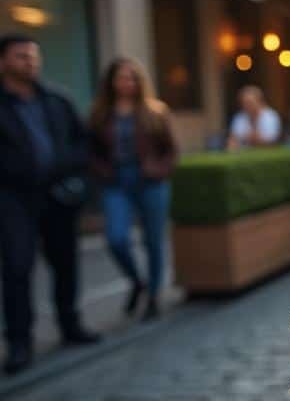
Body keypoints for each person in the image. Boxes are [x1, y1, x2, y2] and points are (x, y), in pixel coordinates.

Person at [0, 34, 100, 374]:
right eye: (20, 56)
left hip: (58, 195)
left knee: (65, 262)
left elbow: (82, 143)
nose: (30, 62)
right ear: (4, 63)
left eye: (33, 56)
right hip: (13, 198)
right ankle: (19, 341)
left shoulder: (57, 101)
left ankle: (70, 323)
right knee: (17, 267)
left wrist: (75, 178)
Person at [88, 58, 178, 322]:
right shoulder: (101, 113)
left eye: (132, 77)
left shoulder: (155, 111)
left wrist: (159, 171)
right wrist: (103, 172)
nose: (127, 82)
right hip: (116, 182)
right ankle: (137, 281)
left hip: (150, 180)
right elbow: (91, 151)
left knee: (153, 240)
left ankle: (153, 295)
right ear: (112, 82)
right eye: (122, 77)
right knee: (116, 238)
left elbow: (171, 151)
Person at [227, 85, 282, 149]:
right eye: (244, 103)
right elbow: (232, 139)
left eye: (249, 102)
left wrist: (249, 138)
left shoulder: (270, 116)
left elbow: (270, 140)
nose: (246, 105)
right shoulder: (239, 117)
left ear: (260, 101)